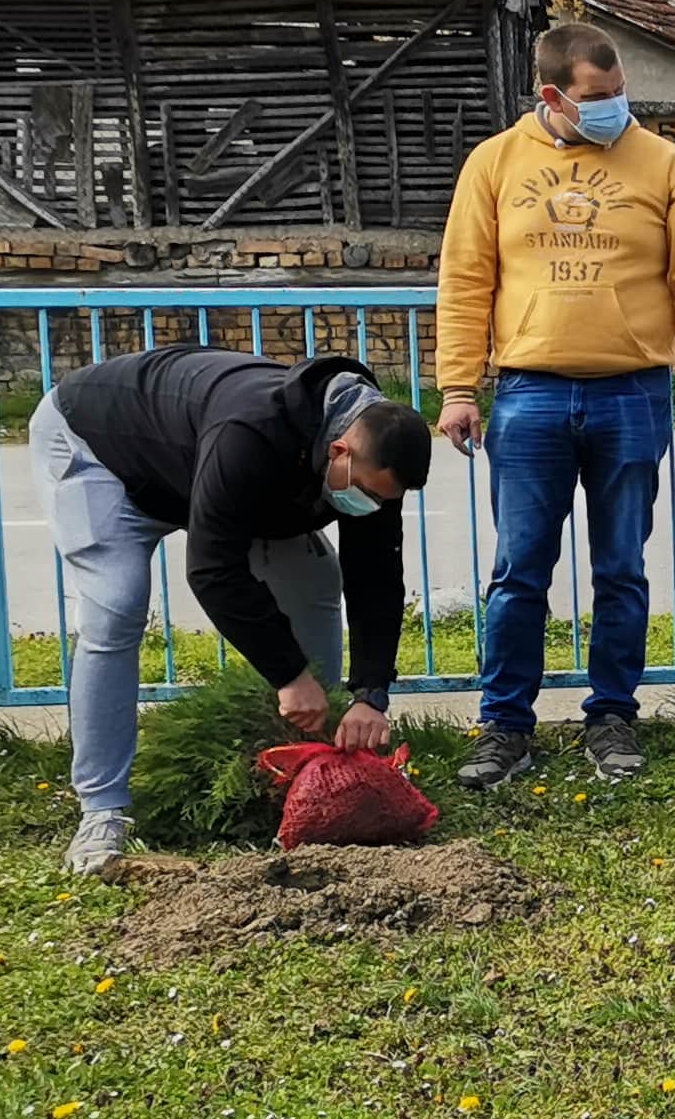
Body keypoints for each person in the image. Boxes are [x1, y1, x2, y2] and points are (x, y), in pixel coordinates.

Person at [434, 22, 675, 791]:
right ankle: (504, 726)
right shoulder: (494, 164)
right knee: (518, 571)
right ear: (552, 95)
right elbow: (467, 280)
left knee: (621, 570)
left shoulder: (665, 164)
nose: (614, 110)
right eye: (596, 99)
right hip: (529, 391)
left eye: (619, 93)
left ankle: (612, 716)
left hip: (631, 392)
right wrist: (459, 388)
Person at [27, 346, 432, 875]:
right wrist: (289, 674)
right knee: (116, 604)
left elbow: (376, 575)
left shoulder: (376, 462)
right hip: (101, 449)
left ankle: (310, 767)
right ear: (338, 450)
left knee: (314, 579)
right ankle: (101, 810)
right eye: (362, 494)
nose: (369, 507)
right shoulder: (252, 432)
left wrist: (370, 694)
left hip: (208, 468)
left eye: (382, 499)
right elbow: (213, 569)